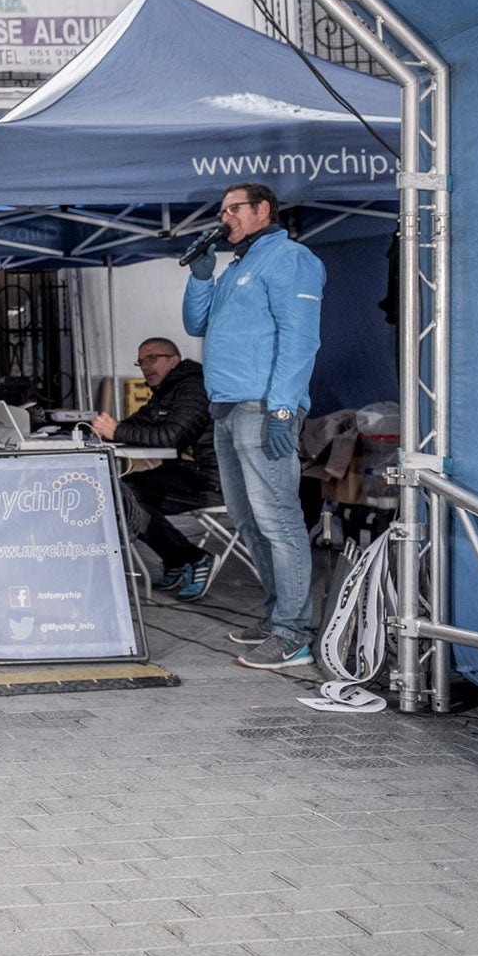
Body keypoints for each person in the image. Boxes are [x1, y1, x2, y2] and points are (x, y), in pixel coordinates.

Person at [183, 182, 325, 671]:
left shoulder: (290, 259)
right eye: (221, 210)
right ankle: (275, 616)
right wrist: (201, 276)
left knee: (279, 520)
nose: (225, 217)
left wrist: (283, 408)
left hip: (262, 407)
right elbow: (195, 325)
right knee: (247, 520)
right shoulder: (237, 267)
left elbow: (301, 339)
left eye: (234, 208)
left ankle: (293, 634)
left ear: (264, 210)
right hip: (226, 410)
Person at [91, 338, 224, 599]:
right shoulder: (167, 390)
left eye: (152, 358)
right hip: (189, 473)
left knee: (123, 497)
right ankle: (178, 560)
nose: (145, 366)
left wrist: (117, 430)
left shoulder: (193, 387)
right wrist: (107, 431)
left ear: (174, 359)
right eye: (141, 361)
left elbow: (173, 436)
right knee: (123, 493)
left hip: (212, 479)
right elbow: (140, 423)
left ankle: (194, 559)